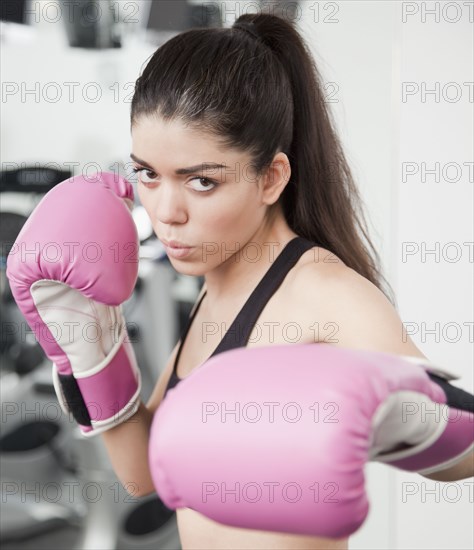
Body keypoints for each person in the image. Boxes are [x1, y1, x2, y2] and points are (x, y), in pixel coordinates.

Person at [6, 12, 472, 550]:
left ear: (271, 177)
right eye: (148, 174)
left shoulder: (326, 296)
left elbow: (466, 442)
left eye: (201, 181)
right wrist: (90, 349)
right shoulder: (217, 288)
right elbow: (145, 473)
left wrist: (395, 418)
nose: (166, 211)